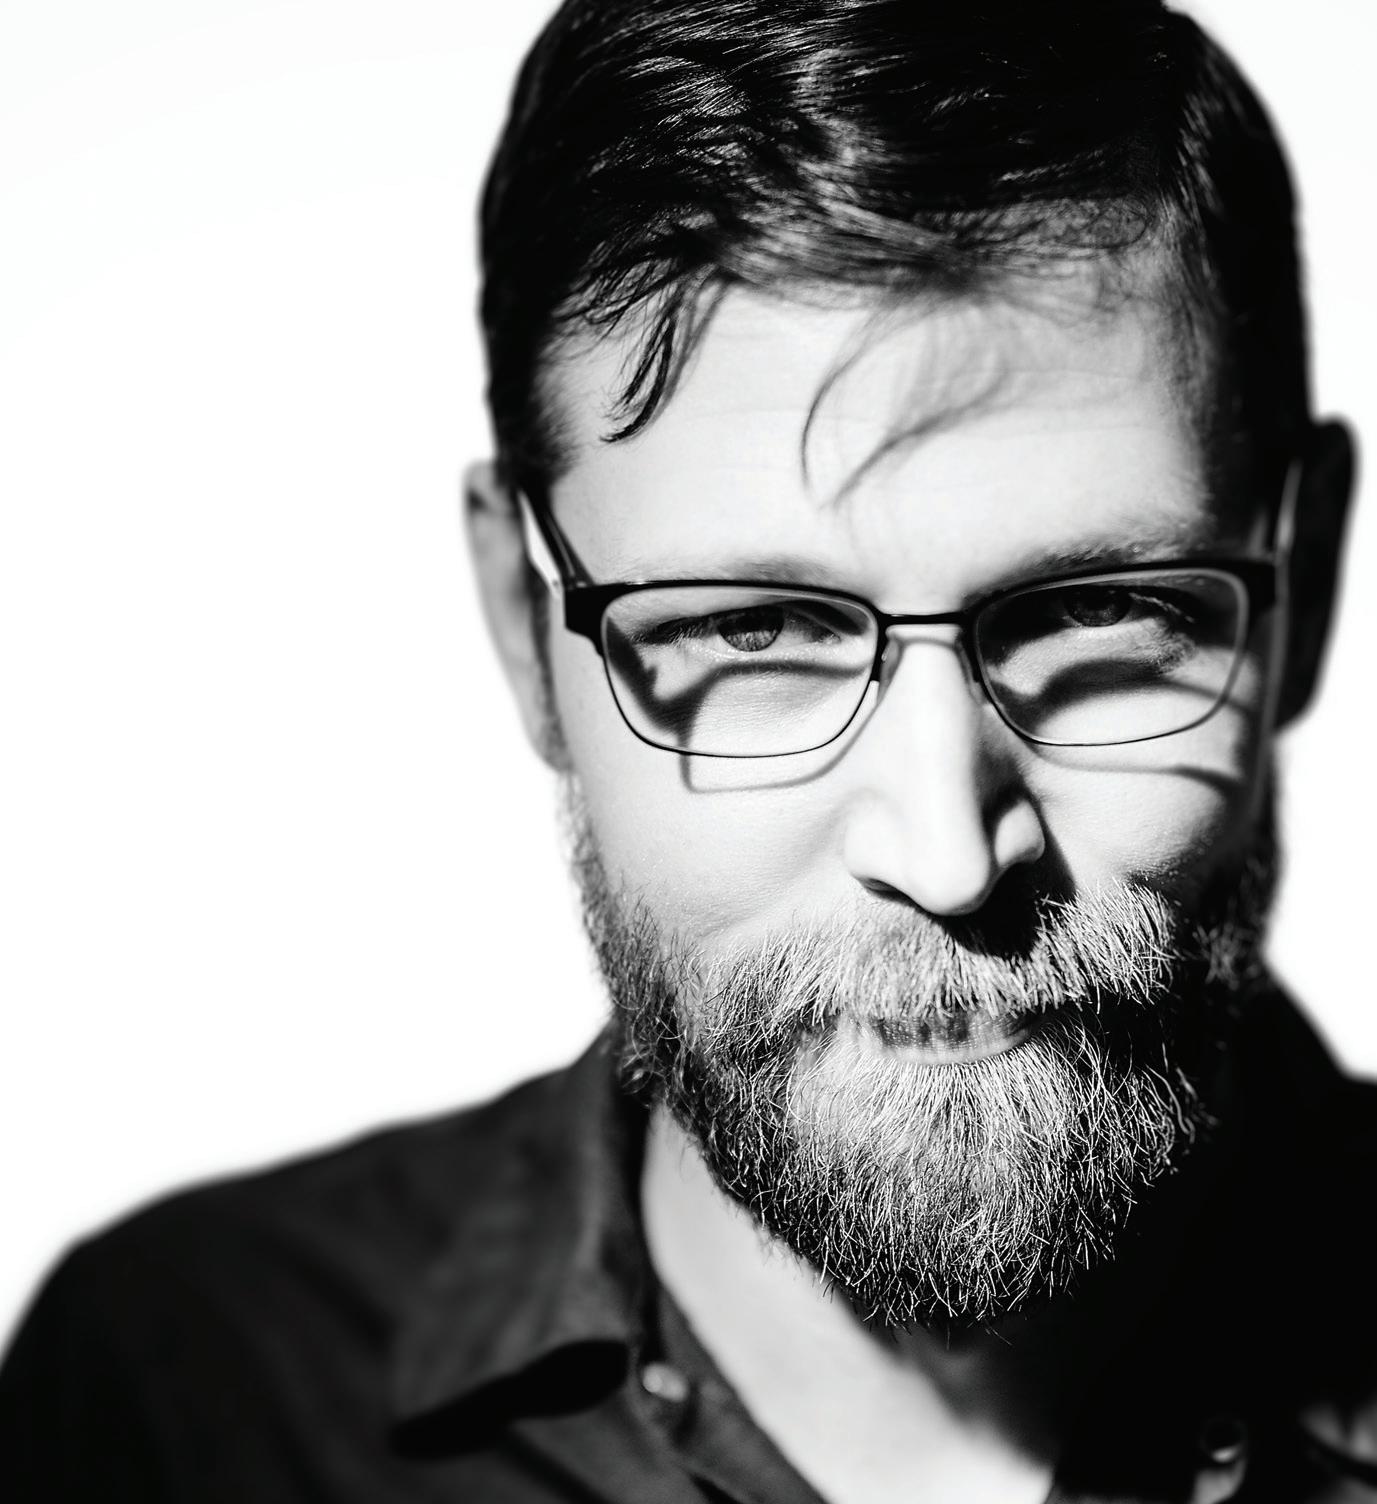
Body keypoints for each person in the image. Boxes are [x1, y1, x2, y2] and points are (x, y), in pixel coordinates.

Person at [1, 0, 1371, 1499]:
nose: (945, 855)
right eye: (750, 629)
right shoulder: (184, 1396)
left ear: (1302, 585)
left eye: (1100, 609)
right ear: (524, 625)